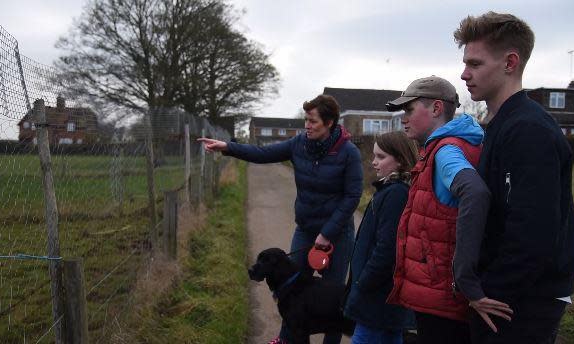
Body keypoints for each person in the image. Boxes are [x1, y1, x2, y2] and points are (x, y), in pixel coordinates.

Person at [454, 12, 574, 343]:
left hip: (518, 304)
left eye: (475, 64)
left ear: (510, 62)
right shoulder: (500, 126)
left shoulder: (529, 131)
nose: (464, 73)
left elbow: (533, 231)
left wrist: (487, 293)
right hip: (507, 298)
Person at [198, 94, 363, 344]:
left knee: (334, 300)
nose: (306, 125)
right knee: (290, 288)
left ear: (329, 123)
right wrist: (228, 148)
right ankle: (286, 338)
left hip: (337, 235)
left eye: (312, 121)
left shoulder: (348, 152)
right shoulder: (298, 144)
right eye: (306, 120)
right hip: (306, 231)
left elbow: (352, 197)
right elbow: (262, 153)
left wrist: (327, 232)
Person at [385, 76, 509, 344]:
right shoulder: (460, 143)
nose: (403, 118)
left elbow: (474, 193)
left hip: (443, 297)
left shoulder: (446, 151)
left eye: (409, 110)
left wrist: (465, 280)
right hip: (444, 295)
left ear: (437, 108)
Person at [343, 131, 417, 344]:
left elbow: (387, 249)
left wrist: (362, 282)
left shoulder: (396, 194)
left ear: (401, 160)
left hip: (377, 296)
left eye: (381, 157)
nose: (374, 162)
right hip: (382, 296)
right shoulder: (389, 190)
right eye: (374, 156)